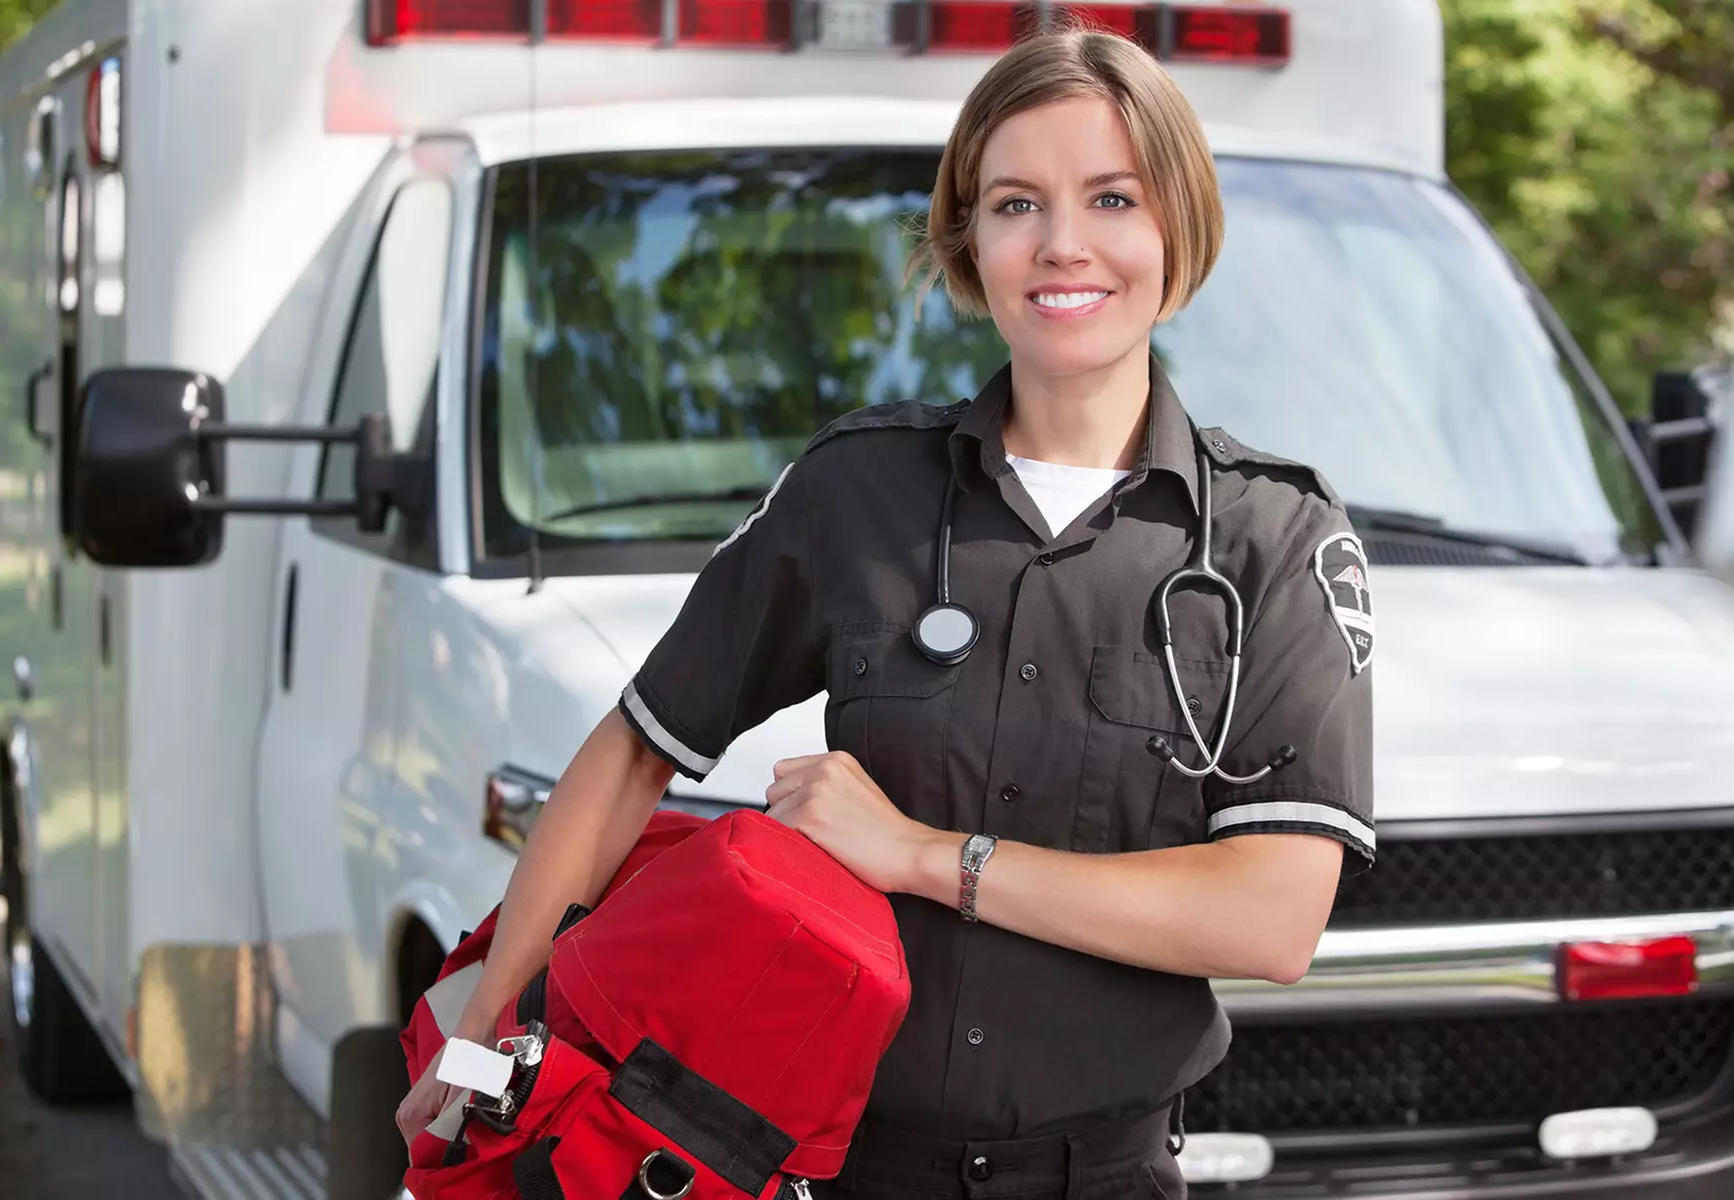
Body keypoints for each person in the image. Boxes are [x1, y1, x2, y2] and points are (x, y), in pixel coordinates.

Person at [398, 23, 1376, 1200]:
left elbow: (1270, 919)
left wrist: (922, 858)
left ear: (1179, 221)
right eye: (1016, 204)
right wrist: (494, 1031)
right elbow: (629, 755)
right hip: (831, 1171)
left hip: (1104, 1176)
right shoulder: (856, 495)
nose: (1063, 245)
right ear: (971, 238)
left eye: (1112, 196)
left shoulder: (1274, 543)